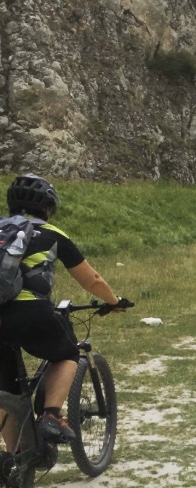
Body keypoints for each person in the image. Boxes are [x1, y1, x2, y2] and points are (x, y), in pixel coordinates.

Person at [0, 174, 128, 447]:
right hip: (29, 311)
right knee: (68, 352)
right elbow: (90, 279)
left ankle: (15, 462)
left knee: (7, 391)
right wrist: (114, 301)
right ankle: (51, 415)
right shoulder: (52, 234)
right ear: (47, 207)